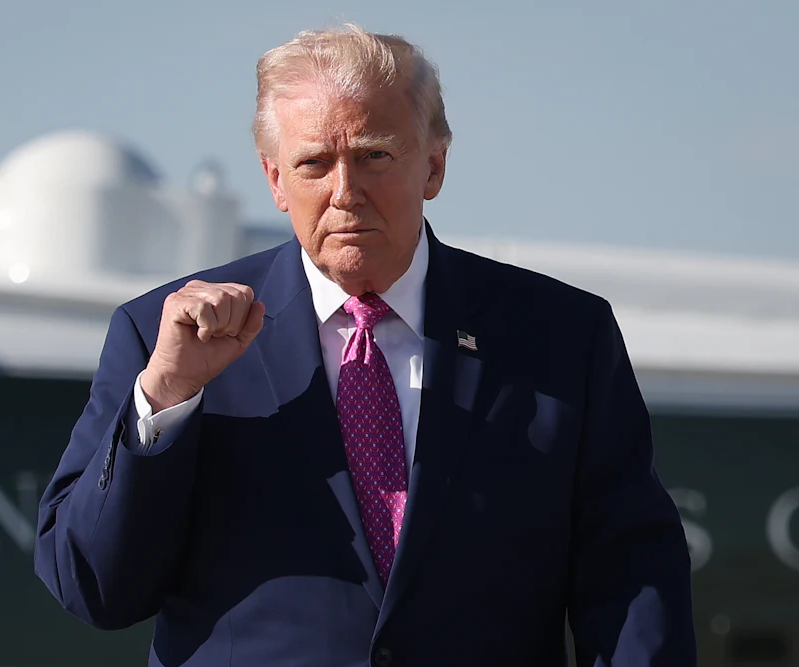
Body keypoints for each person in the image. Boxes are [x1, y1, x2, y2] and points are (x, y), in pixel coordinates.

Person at [34, 23, 697, 667]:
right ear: (274, 179)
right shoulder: (164, 335)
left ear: (434, 164)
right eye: (314, 163)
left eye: (374, 155)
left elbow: (632, 579)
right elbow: (92, 584)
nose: (344, 193)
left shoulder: (560, 337)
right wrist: (167, 395)